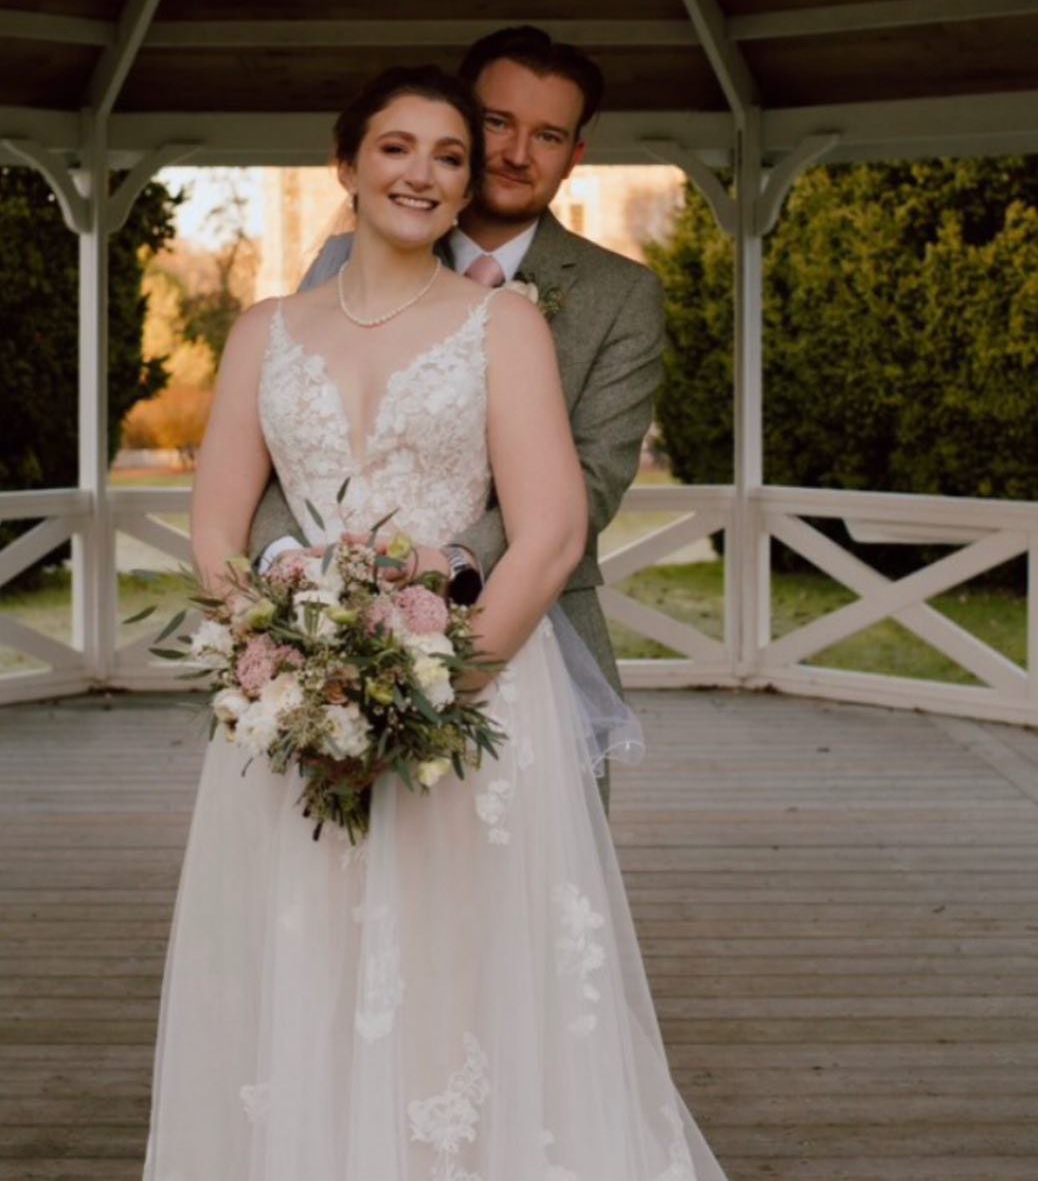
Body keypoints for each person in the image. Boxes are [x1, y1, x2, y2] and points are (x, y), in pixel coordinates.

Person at [142, 66, 727, 1181]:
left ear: (464, 190)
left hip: (473, 704)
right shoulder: (265, 330)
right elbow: (215, 530)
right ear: (346, 165)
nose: (425, 173)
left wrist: (429, 697)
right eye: (398, 148)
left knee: (464, 976)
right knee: (300, 961)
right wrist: (286, 672)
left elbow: (550, 532)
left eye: (449, 157)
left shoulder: (502, 325)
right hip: (294, 712)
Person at [250, 26, 664, 811]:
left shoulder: (622, 295)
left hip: (531, 635)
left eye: (547, 136)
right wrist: (295, 575)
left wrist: (432, 574)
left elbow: (594, 478)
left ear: (576, 154)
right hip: (329, 635)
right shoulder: (351, 257)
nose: (516, 152)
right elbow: (287, 437)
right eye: (498, 124)